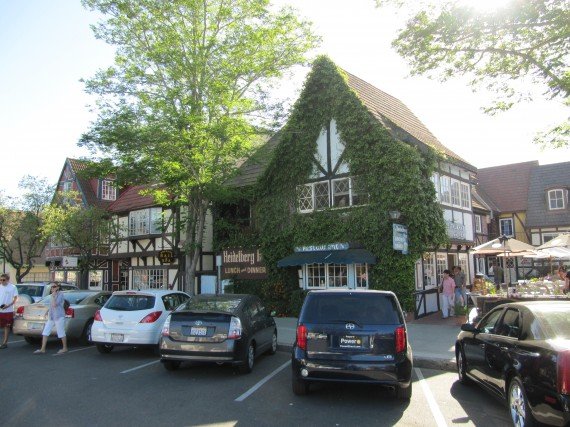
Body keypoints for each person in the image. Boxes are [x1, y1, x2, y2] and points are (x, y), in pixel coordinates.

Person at [34, 283, 68, 354]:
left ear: (58, 287)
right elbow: (51, 305)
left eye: (54, 286)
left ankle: (65, 348)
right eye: (51, 287)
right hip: (52, 316)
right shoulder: (52, 295)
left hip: (59, 316)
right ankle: (42, 349)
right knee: (45, 331)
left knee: (61, 332)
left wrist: (53, 296)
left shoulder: (60, 294)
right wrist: (48, 311)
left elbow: (55, 304)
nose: (52, 288)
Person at [0, 273, 18, 349]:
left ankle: (5, 343)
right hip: (0, 310)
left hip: (8, 311)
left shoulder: (13, 287)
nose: (1, 281)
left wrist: (8, 305)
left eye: (3, 280)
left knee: (6, 327)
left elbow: (15, 299)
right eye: (0, 280)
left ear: (7, 280)